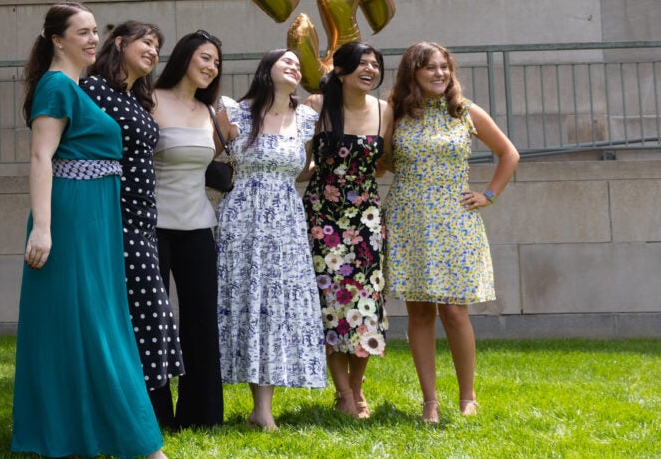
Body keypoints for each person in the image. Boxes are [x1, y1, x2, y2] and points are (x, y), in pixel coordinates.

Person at [13, 2, 173, 459]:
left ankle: (78, 433)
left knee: (90, 325)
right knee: (96, 326)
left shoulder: (78, 87)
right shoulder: (56, 85)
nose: (89, 39)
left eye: (92, 32)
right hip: (71, 217)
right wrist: (43, 228)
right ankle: (142, 443)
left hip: (99, 218)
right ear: (56, 40)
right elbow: (42, 158)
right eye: (79, 32)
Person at [384, 41, 519, 424]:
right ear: (413, 73)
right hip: (407, 219)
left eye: (444, 67)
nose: (440, 73)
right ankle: (430, 402)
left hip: (454, 223)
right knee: (420, 312)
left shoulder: (463, 111)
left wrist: (488, 194)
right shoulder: (395, 113)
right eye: (430, 68)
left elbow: (509, 153)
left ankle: (467, 396)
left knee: (455, 312)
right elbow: (381, 162)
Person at [81, 21, 186, 429]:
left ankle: (137, 413)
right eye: (146, 42)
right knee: (138, 315)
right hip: (114, 220)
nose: (154, 51)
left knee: (149, 314)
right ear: (119, 43)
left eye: (158, 47)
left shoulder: (134, 99)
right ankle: (124, 416)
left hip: (143, 221)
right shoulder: (93, 91)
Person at [214, 48, 325, 430]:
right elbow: (203, 159)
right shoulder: (237, 113)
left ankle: (263, 409)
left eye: (298, 62)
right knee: (247, 302)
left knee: (276, 306)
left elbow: (305, 167)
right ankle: (252, 404)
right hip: (243, 219)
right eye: (286, 61)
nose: (294, 65)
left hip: (287, 222)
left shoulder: (308, 118)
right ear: (267, 69)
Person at [301, 42, 392, 419]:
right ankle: (343, 393)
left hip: (367, 220)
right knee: (332, 304)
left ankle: (357, 389)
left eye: (374, 65)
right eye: (361, 64)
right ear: (340, 70)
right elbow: (302, 162)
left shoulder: (386, 111)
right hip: (323, 217)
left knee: (365, 305)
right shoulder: (316, 106)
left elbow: (384, 163)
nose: (369, 70)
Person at [150, 29, 227, 428]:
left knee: (201, 318)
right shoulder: (150, 100)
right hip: (154, 227)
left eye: (216, 62)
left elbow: (218, 167)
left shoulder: (210, 112)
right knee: (154, 319)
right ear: (184, 58)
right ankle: (156, 414)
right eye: (205, 57)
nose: (211, 67)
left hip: (199, 227)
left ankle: (201, 414)